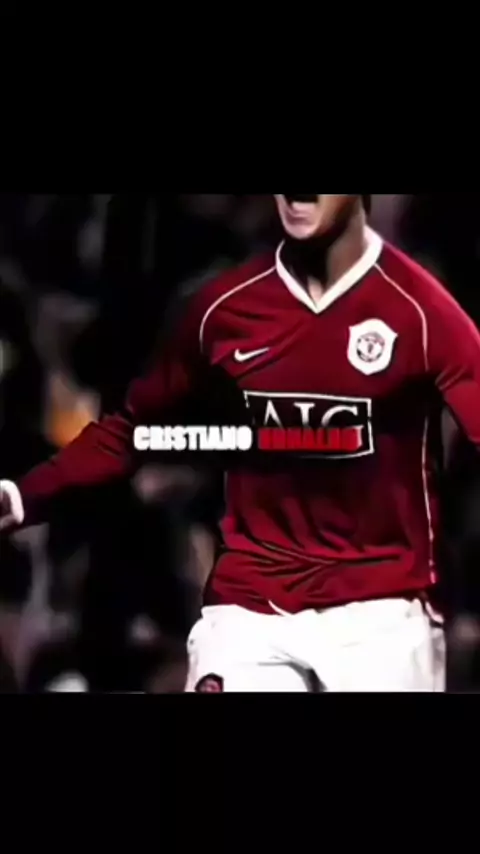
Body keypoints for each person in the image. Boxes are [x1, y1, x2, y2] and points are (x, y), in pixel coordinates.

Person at [2, 193, 479, 692]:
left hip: (381, 608)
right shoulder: (222, 309)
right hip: (253, 609)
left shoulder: (421, 310)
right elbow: (130, 431)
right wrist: (24, 495)